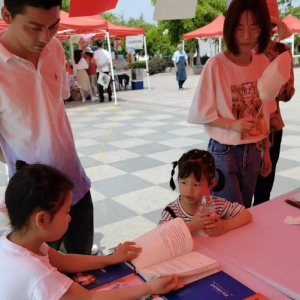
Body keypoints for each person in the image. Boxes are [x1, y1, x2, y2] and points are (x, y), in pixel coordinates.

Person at [0, 161, 178, 300]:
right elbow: (90, 297)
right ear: (42, 219)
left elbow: (64, 261)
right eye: (67, 211)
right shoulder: (38, 274)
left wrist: (111, 259)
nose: (70, 217)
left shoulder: (14, 238)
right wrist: (150, 287)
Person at [0, 0, 94, 255]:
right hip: (35, 201)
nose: (45, 37)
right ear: (6, 15)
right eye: (34, 27)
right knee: (41, 276)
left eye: (53, 26)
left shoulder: (54, 48)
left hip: (76, 184)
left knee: (82, 265)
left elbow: (56, 107)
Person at [188, 0, 277, 208]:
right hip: (224, 151)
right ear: (230, 28)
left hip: (254, 149)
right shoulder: (216, 65)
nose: (246, 36)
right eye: (239, 28)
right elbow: (203, 113)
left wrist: (266, 150)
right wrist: (233, 124)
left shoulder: (263, 62)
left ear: (263, 29)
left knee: (244, 209)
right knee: (228, 212)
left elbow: (265, 112)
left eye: (254, 28)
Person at [254, 0, 295, 206]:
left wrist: (273, 72)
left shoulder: (282, 50)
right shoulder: (245, 49)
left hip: (272, 125)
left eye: (268, 24)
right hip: (247, 127)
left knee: (264, 185)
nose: (263, 28)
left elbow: (288, 94)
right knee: (244, 187)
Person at [159, 150, 252, 237]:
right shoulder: (171, 212)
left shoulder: (216, 205)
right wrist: (192, 227)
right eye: (183, 183)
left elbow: (246, 215)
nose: (189, 190)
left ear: (211, 184)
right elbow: (160, 238)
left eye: (196, 185)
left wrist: (224, 226)